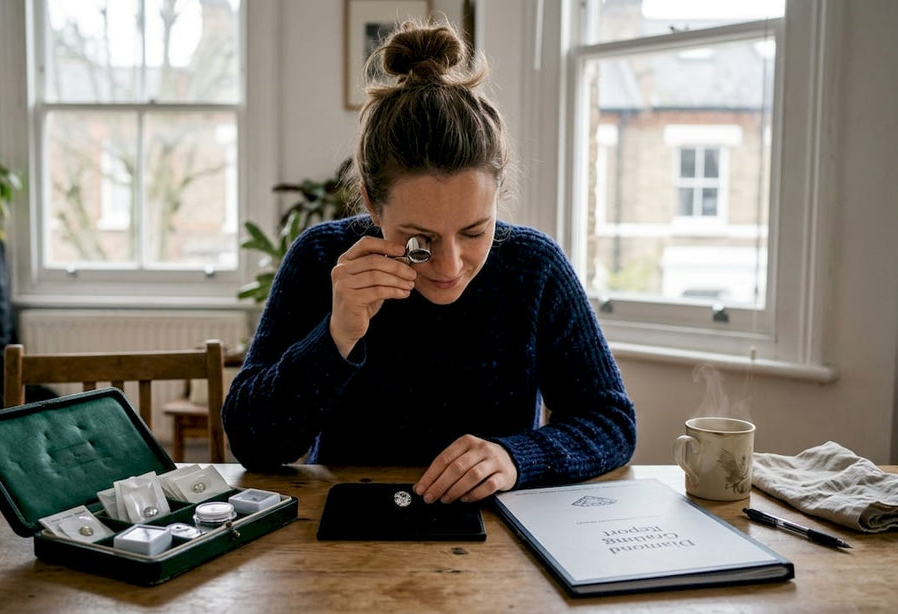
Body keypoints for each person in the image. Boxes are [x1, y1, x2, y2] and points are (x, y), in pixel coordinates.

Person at [222, 18, 635, 504]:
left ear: (498, 198)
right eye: (420, 240)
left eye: (475, 231)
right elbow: (252, 443)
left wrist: (515, 457)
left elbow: (611, 422)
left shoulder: (533, 266)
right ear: (372, 206)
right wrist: (336, 336)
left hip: (496, 537)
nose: (450, 266)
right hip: (343, 525)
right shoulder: (321, 259)